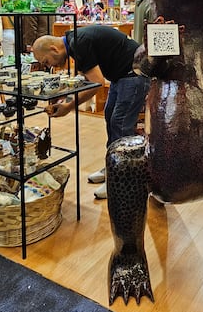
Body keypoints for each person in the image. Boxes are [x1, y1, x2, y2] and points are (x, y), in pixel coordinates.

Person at [31, 26, 150, 199]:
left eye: (47, 61)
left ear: (54, 49)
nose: (50, 66)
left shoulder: (78, 43)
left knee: (120, 123)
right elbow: (86, 79)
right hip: (123, 75)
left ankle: (121, 180)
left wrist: (69, 107)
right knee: (111, 117)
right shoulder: (74, 41)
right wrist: (65, 101)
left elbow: (97, 83)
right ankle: (112, 167)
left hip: (134, 74)